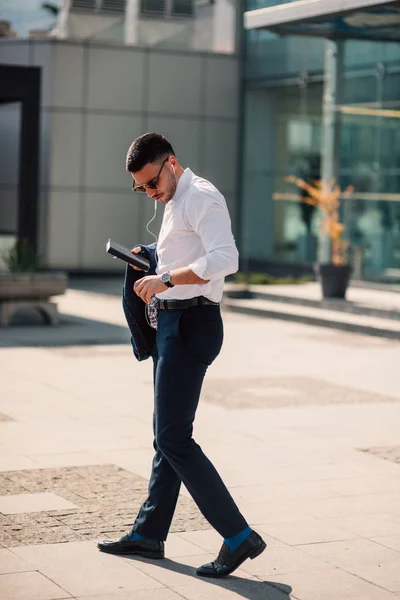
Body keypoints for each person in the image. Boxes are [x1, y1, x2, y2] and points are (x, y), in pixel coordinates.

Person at [97, 133, 266, 578]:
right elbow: (181, 251)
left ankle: (237, 535)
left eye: (152, 182)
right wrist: (148, 256)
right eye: (141, 189)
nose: (150, 193)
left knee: (174, 439)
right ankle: (149, 533)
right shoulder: (174, 199)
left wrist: (166, 279)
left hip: (193, 325)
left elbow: (225, 258)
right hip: (172, 324)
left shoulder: (201, 196)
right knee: (166, 434)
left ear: (171, 163)